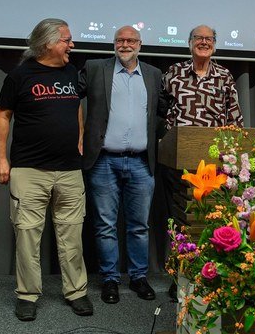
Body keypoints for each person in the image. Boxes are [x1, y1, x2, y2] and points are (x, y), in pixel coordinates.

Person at [0, 18, 94, 321]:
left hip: (69, 171)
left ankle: (76, 292)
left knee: (72, 235)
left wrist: (79, 137)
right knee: (27, 235)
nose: (71, 45)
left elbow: (76, 106)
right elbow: (3, 116)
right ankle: (27, 295)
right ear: (47, 42)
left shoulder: (71, 72)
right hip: (29, 170)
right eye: (66, 40)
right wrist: (0, 159)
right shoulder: (20, 75)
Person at [78, 26, 170, 305]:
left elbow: (164, 110)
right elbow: (67, 97)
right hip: (104, 160)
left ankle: (138, 277)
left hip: (142, 162)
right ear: (114, 44)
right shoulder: (95, 68)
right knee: (105, 225)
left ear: (140, 44)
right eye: (120, 40)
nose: (125, 44)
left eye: (131, 40)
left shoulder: (154, 75)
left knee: (139, 225)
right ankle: (109, 280)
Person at [160, 24, 245, 299]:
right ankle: (180, 276)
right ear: (189, 42)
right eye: (199, 38)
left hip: (214, 163)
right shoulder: (173, 73)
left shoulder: (224, 75)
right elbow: (160, 111)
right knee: (180, 220)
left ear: (215, 45)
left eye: (209, 39)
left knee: (210, 218)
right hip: (178, 161)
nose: (204, 42)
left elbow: (235, 118)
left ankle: (210, 273)